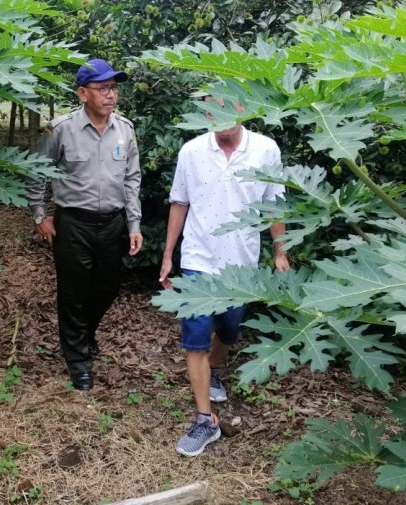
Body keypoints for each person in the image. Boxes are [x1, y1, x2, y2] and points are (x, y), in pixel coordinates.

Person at [159, 117, 289, 457]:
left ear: (243, 106)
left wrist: (281, 252)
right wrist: (168, 254)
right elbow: (180, 202)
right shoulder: (191, 151)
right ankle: (205, 420)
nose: (219, 115)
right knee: (195, 338)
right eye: (211, 105)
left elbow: (275, 204)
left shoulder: (265, 149)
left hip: (241, 264)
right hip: (197, 258)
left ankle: (214, 370)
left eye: (227, 104)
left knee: (230, 329)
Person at [26, 59, 143, 391]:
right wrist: (40, 215)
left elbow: (132, 179)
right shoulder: (59, 129)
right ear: (82, 93)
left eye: (114, 87)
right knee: (73, 294)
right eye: (103, 88)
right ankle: (78, 360)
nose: (111, 95)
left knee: (107, 288)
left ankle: (84, 334)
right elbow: (35, 172)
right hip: (73, 223)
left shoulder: (125, 129)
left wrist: (133, 224)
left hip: (112, 224)